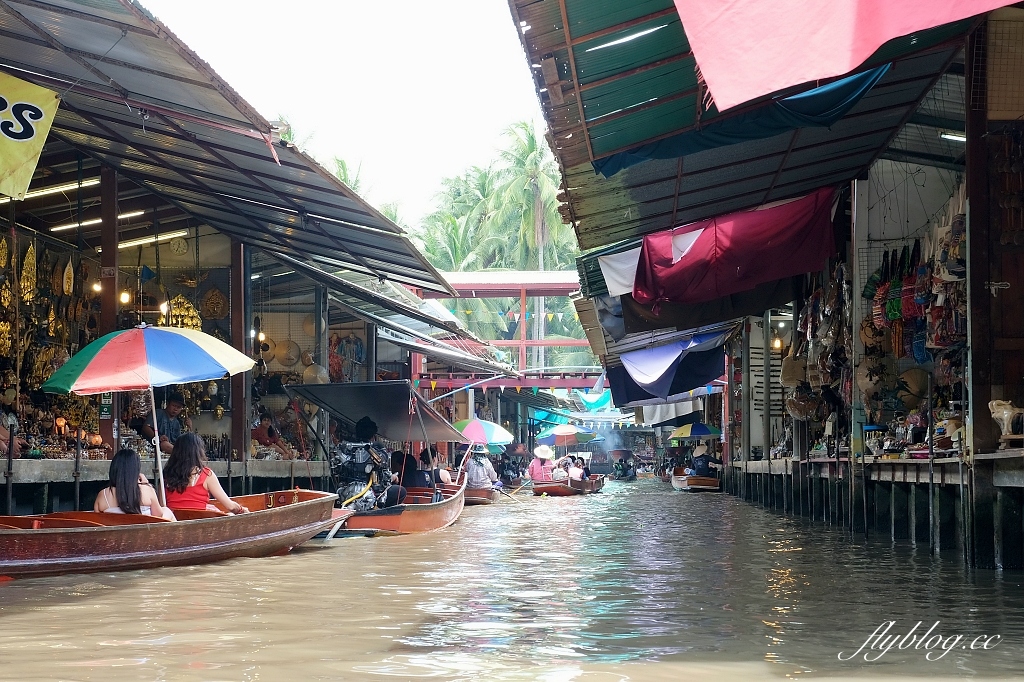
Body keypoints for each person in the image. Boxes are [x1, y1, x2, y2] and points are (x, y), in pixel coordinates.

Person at [163, 433, 248, 513]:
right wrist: (242, 510)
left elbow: (162, 507)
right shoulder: (206, 474)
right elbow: (230, 506)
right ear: (198, 452)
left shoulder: (166, 475)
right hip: (200, 522)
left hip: (176, 522)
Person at [94, 449, 176, 521]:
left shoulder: (103, 495)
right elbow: (158, 516)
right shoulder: (147, 491)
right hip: (144, 536)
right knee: (166, 510)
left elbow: (97, 521)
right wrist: (146, 484)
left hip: (115, 537)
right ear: (136, 471)